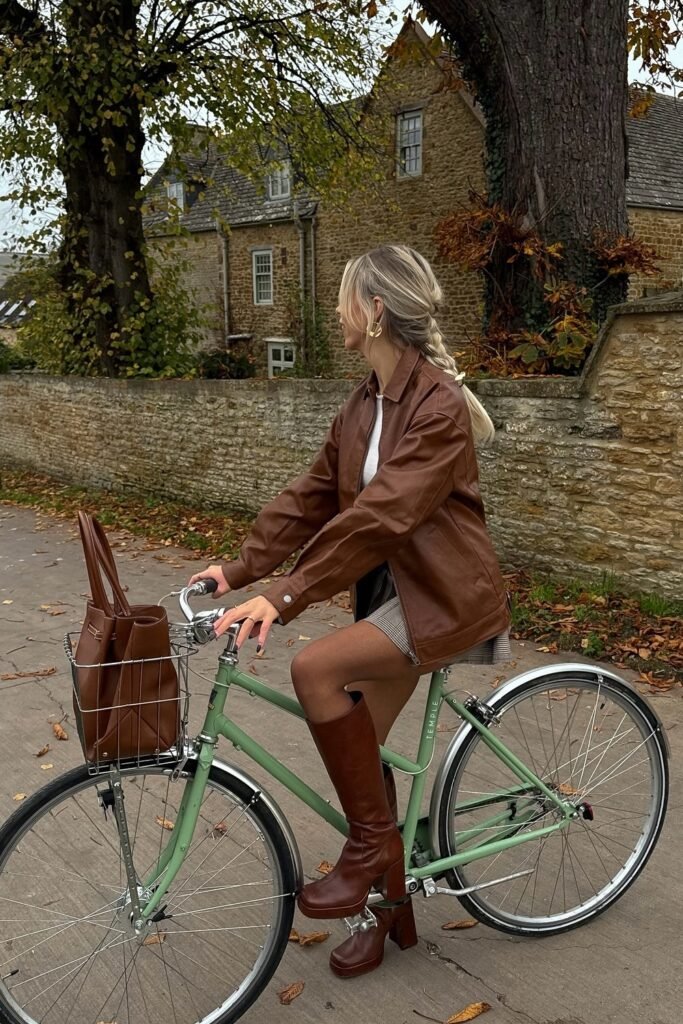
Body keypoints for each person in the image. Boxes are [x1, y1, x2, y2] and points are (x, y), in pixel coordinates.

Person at [189, 244, 511, 979]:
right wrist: (240, 567)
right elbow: (312, 496)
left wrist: (286, 594)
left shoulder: (438, 405)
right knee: (365, 748)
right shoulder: (365, 400)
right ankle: (388, 911)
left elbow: (383, 519)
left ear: (372, 311)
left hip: (442, 599)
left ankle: (367, 854)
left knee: (316, 670)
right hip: (394, 596)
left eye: (343, 299)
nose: (335, 311)